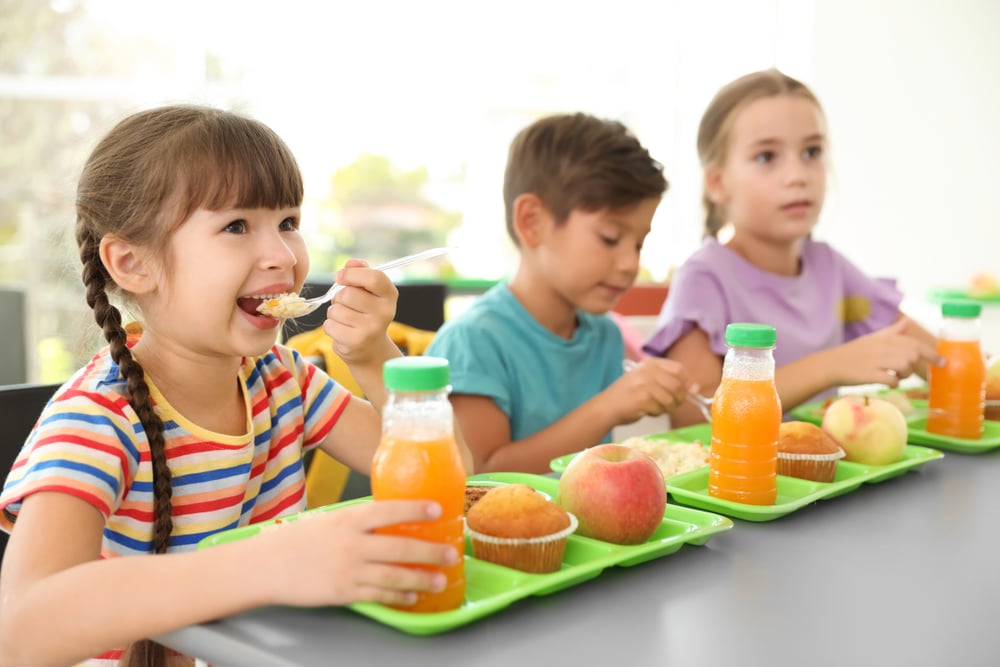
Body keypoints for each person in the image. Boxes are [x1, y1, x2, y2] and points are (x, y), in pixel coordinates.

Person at [0, 105, 471, 667]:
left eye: (289, 223)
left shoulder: (282, 379)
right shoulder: (98, 421)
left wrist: (372, 356)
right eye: (236, 226)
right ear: (132, 263)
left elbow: (453, 481)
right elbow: (21, 629)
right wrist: (269, 564)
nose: (282, 256)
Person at [643, 69, 940, 427]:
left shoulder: (832, 270)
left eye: (811, 151)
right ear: (718, 183)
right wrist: (831, 366)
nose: (797, 175)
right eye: (767, 157)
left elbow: (937, 360)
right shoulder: (704, 278)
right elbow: (693, 415)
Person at [426, 112, 691, 475]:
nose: (630, 263)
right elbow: (482, 473)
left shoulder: (604, 334)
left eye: (640, 244)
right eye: (610, 238)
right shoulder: (473, 342)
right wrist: (608, 407)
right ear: (532, 222)